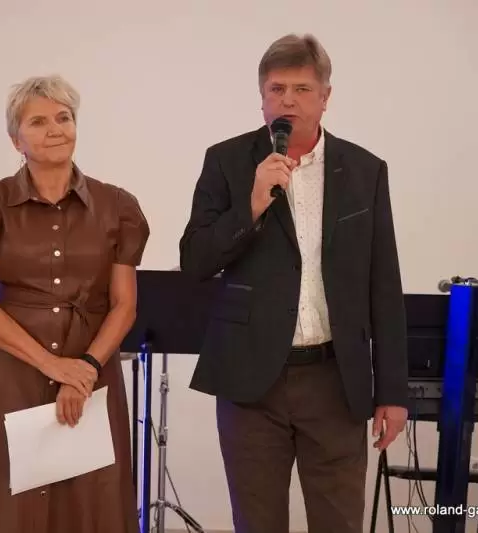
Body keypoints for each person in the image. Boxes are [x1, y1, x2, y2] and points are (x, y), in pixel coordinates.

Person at [179, 33, 408, 533]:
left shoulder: (365, 170)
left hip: (335, 379)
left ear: (325, 96)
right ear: (261, 97)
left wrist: (393, 390)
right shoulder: (227, 161)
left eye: (302, 89)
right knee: (257, 523)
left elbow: (384, 284)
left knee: (339, 523)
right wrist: (252, 204)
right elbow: (194, 260)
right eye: (277, 89)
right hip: (250, 382)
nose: (288, 101)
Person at [0, 74, 149, 533]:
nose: (55, 129)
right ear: (16, 139)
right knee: (8, 505)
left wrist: (84, 370)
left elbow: (124, 305)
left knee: (90, 500)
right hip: (8, 374)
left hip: (92, 371)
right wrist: (54, 367)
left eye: (64, 117)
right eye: (38, 121)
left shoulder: (119, 206)